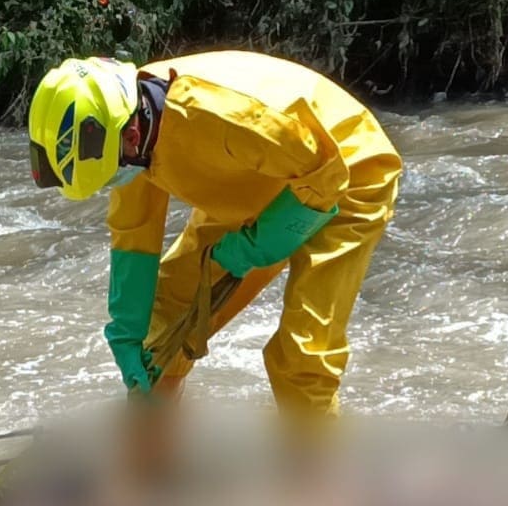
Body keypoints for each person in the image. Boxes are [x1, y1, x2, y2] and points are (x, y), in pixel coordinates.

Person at [28, 50, 402, 416]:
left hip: (347, 174)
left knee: (302, 355)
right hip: (253, 183)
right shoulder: (130, 139)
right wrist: (127, 330)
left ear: (130, 132)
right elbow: (135, 234)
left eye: (113, 172)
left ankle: (317, 471)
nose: (116, 180)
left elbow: (326, 175)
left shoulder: (222, 116)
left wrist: (258, 246)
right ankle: (150, 462)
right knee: (163, 332)